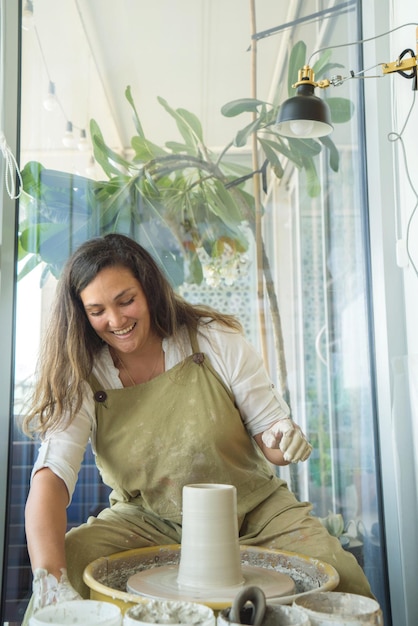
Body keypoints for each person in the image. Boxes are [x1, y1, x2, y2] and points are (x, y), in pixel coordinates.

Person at [23, 233, 373, 617]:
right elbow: (51, 479)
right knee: (68, 567)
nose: (116, 320)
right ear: (81, 314)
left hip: (255, 510)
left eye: (126, 301)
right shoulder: (82, 373)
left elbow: (271, 435)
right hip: (146, 519)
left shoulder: (212, 337)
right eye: (97, 311)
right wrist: (50, 583)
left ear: (149, 290)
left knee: (342, 576)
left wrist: (283, 435)